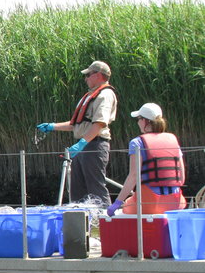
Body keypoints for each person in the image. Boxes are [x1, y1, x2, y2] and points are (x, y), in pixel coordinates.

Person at [37, 60, 117, 205]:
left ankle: (106, 221)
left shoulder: (105, 94)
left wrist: (82, 143)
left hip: (95, 145)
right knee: (77, 189)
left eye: (88, 75)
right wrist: (52, 126)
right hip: (84, 146)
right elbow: (77, 125)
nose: (85, 78)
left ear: (98, 75)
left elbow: (99, 123)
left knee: (95, 187)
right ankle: (79, 222)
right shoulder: (89, 95)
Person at [106, 103, 186, 216]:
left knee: (125, 208)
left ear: (145, 121)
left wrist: (118, 202)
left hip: (150, 203)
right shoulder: (173, 140)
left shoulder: (137, 142)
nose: (138, 122)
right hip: (176, 202)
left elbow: (133, 176)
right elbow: (181, 178)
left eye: (138, 119)